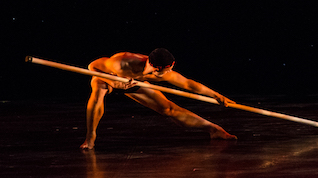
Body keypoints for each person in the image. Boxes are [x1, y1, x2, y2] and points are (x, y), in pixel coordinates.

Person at [79, 49, 237, 150]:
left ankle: (214, 130)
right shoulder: (122, 62)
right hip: (107, 79)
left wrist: (217, 95)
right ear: (155, 67)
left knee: (169, 109)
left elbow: (189, 85)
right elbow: (92, 66)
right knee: (97, 93)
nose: (169, 74)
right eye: (166, 71)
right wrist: (112, 79)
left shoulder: (165, 72)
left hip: (132, 84)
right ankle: (90, 137)